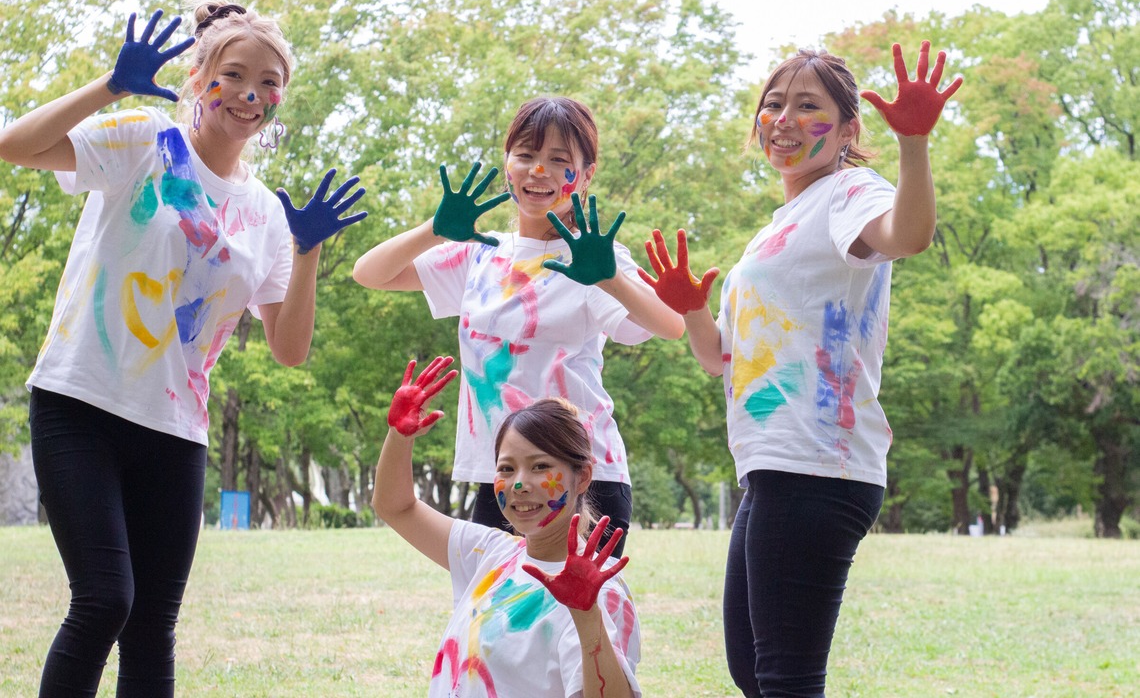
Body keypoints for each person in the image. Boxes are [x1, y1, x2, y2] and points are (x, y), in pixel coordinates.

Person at [0, 0, 366, 697]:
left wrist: (308, 251)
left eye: (267, 81)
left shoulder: (262, 212)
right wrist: (109, 88)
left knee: (151, 633)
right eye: (233, 74)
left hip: (175, 429)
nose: (250, 94)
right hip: (82, 401)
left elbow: (289, 348)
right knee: (105, 599)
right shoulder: (143, 138)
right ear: (198, 78)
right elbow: (13, 146)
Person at [638, 41, 963, 697]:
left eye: (807, 106)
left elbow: (909, 234)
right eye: (773, 104)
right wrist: (694, 310)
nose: (782, 118)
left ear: (849, 130)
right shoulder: (781, 225)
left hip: (818, 465)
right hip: (774, 465)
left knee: (785, 680)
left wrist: (915, 145)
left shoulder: (850, 191)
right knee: (753, 671)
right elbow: (719, 360)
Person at [353, 96, 683, 553]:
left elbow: (669, 326)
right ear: (507, 163)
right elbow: (369, 273)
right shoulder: (481, 253)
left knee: (573, 620)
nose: (539, 171)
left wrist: (610, 279)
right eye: (525, 155)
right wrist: (436, 228)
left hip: (583, 476)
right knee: (497, 618)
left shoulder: (592, 258)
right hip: (500, 474)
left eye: (558, 160)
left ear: (586, 175)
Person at [373, 356, 641, 698]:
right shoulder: (491, 554)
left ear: (583, 476)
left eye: (540, 466)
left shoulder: (602, 592)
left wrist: (587, 617)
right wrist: (399, 437)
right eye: (506, 469)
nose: (519, 484)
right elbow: (395, 506)